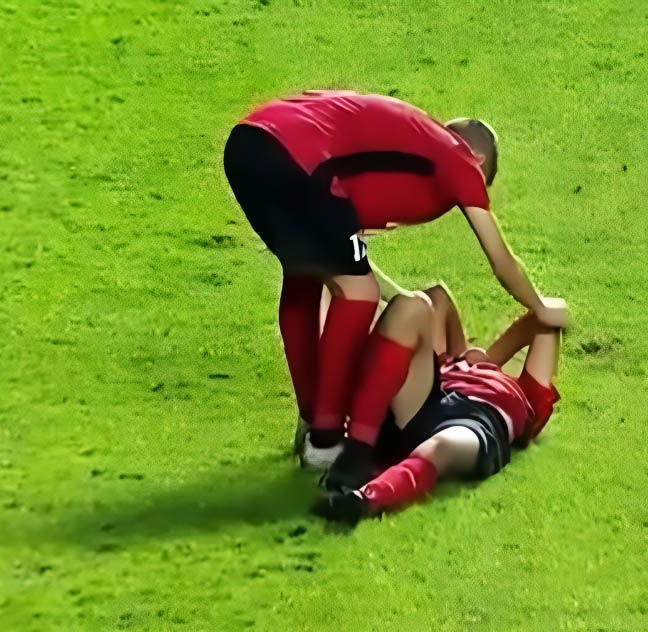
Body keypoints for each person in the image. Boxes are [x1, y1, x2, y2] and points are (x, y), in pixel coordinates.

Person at [223, 90, 566, 467]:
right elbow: (501, 262)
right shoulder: (460, 158)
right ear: (478, 159)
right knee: (358, 293)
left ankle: (312, 423)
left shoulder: (407, 143)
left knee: (306, 277)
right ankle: (326, 438)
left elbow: (345, 251)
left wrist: (401, 298)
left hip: (249, 144)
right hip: (300, 159)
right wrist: (539, 307)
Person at [314, 284, 565, 523]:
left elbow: (551, 313)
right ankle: (358, 448)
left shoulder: (524, 395)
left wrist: (490, 358)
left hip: (480, 421)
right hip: (429, 401)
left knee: (442, 447)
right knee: (409, 308)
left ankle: (362, 501)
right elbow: (439, 296)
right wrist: (474, 359)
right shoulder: (449, 362)